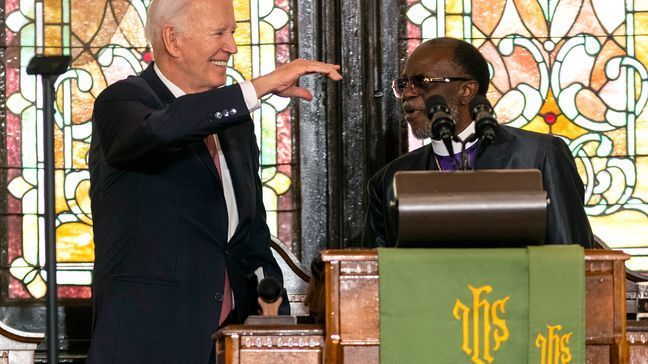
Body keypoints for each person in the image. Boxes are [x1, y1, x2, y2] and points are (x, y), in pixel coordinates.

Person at [86, 0, 342, 361]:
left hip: (232, 341)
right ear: (172, 40)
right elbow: (163, 130)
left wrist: (274, 326)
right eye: (219, 33)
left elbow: (250, 233)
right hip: (148, 340)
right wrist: (259, 87)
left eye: (233, 32)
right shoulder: (124, 101)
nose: (232, 47)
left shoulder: (235, 123)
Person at [361, 37, 594, 248]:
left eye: (421, 82)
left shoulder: (540, 156)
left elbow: (574, 257)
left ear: (466, 90)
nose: (408, 94)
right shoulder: (389, 180)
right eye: (404, 85)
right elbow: (370, 276)